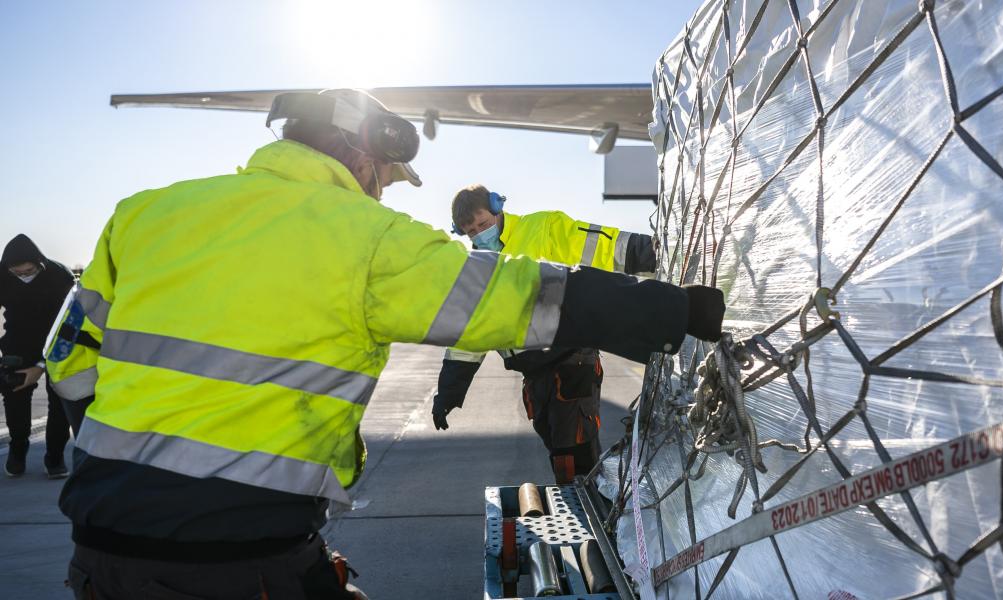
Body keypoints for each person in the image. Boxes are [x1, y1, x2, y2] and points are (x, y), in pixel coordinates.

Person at [46, 88, 725, 599]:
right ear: (362, 153)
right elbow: (516, 298)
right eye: (384, 177)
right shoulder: (364, 237)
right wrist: (675, 308)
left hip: (100, 541)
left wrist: (128, 462)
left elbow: (68, 363)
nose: (380, 191)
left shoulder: (143, 214)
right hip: (236, 553)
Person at [431, 185, 659, 482]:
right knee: (558, 449)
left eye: (484, 224)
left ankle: (593, 513)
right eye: (472, 231)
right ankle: (590, 506)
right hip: (535, 376)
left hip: (571, 362)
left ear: (497, 209)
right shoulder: (476, 272)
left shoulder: (542, 229)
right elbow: (469, 337)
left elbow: (604, 246)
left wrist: (657, 253)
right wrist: (448, 392)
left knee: (574, 452)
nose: (480, 234)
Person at [0, 234, 75, 478]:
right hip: (17, 345)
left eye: (29, 271)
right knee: (14, 397)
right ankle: (18, 447)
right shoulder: (2, 275)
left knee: (61, 402)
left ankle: (54, 456)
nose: (24, 276)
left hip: (57, 344)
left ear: (40, 264)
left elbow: (71, 320)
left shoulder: (59, 275)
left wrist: (42, 364)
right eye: (17, 273)